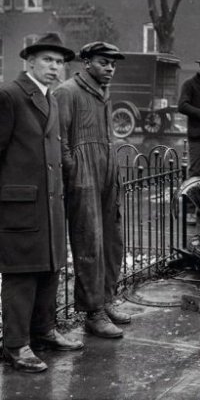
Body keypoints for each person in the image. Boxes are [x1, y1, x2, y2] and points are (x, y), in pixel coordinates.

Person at [0, 33, 83, 373]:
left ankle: (43, 331)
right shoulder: (10, 96)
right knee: (21, 274)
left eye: (60, 62)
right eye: (48, 60)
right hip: (20, 205)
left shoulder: (52, 98)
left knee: (49, 268)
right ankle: (16, 345)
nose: (55, 67)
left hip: (49, 203)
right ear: (30, 61)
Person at [54, 41, 130, 339]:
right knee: (89, 243)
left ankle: (106, 299)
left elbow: (107, 137)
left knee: (112, 241)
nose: (110, 68)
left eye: (113, 64)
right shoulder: (67, 92)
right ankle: (93, 312)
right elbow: (60, 141)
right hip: (83, 176)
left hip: (107, 171)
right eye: (103, 62)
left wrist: (112, 170)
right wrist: (74, 172)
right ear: (86, 62)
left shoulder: (103, 91)